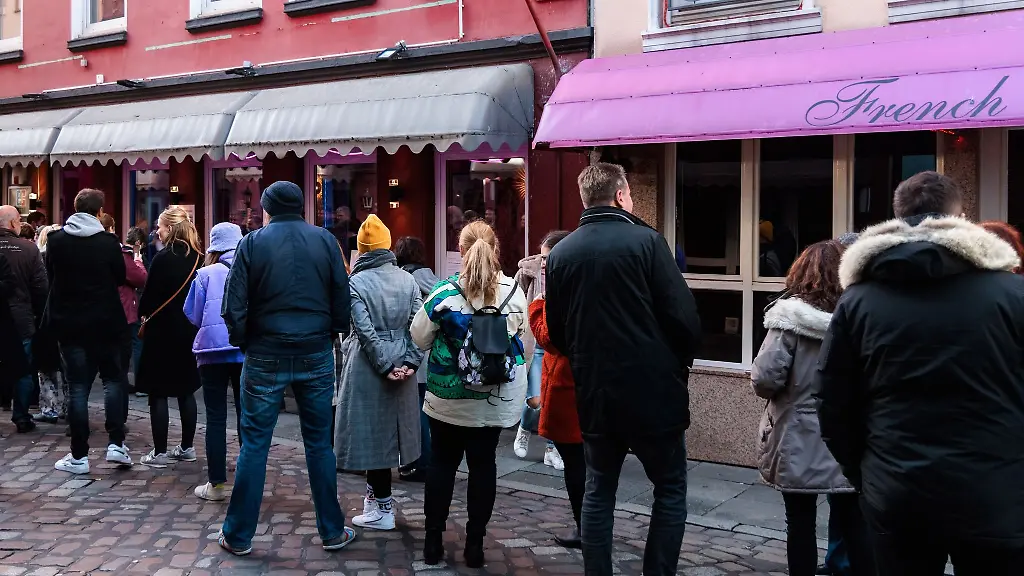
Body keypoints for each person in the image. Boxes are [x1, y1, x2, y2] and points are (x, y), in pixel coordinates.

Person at [816, 171, 1024, 576]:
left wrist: (866, 473)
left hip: (897, 492)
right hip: (995, 494)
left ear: (896, 215)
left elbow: (832, 402)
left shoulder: (858, 300)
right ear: (959, 216)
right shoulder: (1013, 294)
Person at [545, 163, 701, 576]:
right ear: (620, 195)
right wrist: (676, 363)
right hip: (653, 390)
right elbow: (683, 317)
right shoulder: (648, 243)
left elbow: (557, 331)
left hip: (596, 392)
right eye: (629, 195)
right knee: (669, 487)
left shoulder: (561, 254)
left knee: (599, 489)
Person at [220, 181, 354, 556]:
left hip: (266, 348)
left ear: (267, 207)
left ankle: (239, 534)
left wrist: (247, 340)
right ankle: (331, 530)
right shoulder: (326, 240)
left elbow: (235, 303)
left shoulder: (252, 242)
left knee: (255, 443)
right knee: (318, 444)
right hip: (313, 347)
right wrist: (331, 334)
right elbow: (341, 294)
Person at [410, 220, 528, 568]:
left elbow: (419, 337)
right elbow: (522, 344)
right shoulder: (513, 293)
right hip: (493, 400)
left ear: (461, 251)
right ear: (497, 250)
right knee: (483, 466)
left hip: (447, 399)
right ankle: (474, 546)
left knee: (441, 465)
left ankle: (433, 543)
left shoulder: (444, 294)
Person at [751, 241, 868, 576]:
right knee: (854, 522)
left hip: (798, 437)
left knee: (799, 522)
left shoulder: (788, 321)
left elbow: (765, 378)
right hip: (850, 438)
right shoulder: (861, 318)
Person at [334, 216, 424, 531]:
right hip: (402, 362)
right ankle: (377, 504)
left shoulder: (355, 282)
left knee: (371, 435)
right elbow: (418, 325)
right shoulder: (407, 279)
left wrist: (386, 365)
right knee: (392, 435)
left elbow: (364, 330)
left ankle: (380, 507)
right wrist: (410, 362)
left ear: (361, 249)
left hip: (368, 366)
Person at [46, 189, 130, 474]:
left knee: (78, 387)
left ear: (74, 207)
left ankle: (79, 455)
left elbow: (51, 275)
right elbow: (120, 276)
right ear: (99, 211)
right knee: (112, 382)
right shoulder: (109, 243)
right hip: (106, 321)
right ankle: (116, 444)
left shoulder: (56, 241)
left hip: (70, 323)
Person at [527, 230, 584, 549]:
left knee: (577, 464)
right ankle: (591, 524)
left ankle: (586, 527)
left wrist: (536, 305)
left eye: (547, 258)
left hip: (569, 387)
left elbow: (548, 336)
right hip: (579, 385)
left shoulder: (564, 293)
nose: (543, 264)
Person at [135, 207, 202, 468]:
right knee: (186, 390)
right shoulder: (197, 256)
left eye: (160, 226)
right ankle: (187, 447)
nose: (157, 231)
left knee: (158, 391)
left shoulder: (163, 258)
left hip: (162, 330)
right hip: (188, 329)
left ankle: (160, 451)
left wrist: (144, 313)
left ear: (171, 228)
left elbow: (150, 296)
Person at [185, 222, 244, 501]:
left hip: (211, 353)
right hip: (244, 350)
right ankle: (248, 480)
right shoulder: (251, 271)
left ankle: (216, 484)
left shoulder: (204, 275)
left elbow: (192, 314)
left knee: (216, 417)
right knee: (248, 416)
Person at [393, 236, 440, 482]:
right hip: (432, 355)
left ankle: (418, 462)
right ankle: (428, 461)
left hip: (409, 355)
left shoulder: (401, 281)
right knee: (429, 411)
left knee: (414, 413)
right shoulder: (436, 282)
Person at [512, 244, 563, 470]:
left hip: (557, 345)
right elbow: (514, 299)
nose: (543, 262)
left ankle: (551, 450)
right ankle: (524, 428)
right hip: (535, 342)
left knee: (555, 402)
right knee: (536, 401)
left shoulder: (566, 272)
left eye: (548, 257)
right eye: (541, 256)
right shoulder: (527, 272)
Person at [0, 206, 48, 432]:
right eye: (19, 220)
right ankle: (21, 415)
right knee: (23, 368)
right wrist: (40, 316)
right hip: (21, 318)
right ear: (12, 224)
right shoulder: (29, 250)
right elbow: (41, 288)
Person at [100, 215, 147, 430]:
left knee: (82, 380)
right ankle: (117, 422)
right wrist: (137, 260)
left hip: (101, 315)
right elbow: (140, 278)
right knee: (116, 375)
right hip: (122, 314)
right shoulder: (123, 254)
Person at [33, 225, 66, 424]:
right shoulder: (70, 260)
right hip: (64, 317)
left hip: (45, 317)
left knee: (46, 369)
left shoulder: (39, 259)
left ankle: (49, 408)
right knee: (67, 369)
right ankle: (68, 407)